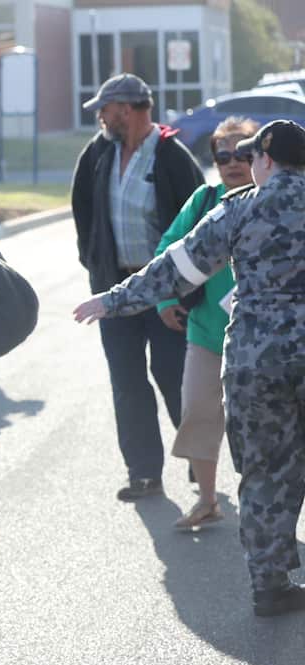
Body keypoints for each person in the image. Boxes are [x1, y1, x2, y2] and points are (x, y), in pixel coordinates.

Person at [73, 119, 305, 619]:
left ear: (265, 159)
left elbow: (177, 270)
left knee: (264, 470)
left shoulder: (240, 208)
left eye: (251, 158)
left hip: (256, 359)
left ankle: (271, 586)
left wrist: (113, 300)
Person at [71, 73, 204, 501]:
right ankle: (144, 473)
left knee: (174, 378)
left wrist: (181, 291)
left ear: (124, 110)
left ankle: (201, 465)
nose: (101, 118)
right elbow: (83, 210)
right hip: (116, 291)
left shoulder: (172, 156)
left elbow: (200, 229)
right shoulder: (97, 153)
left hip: (169, 295)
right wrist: (94, 263)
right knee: (127, 383)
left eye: (105, 110)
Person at [151, 116, 259, 531]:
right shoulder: (203, 200)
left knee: (260, 424)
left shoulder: (276, 199)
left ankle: (264, 510)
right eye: (223, 153)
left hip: (262, 339)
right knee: (197, 410)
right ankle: (208, 500)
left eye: (242, 153)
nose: (232, 161)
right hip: (207, 330)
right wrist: (164, 297)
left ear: (259, 156)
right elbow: (168, 248)